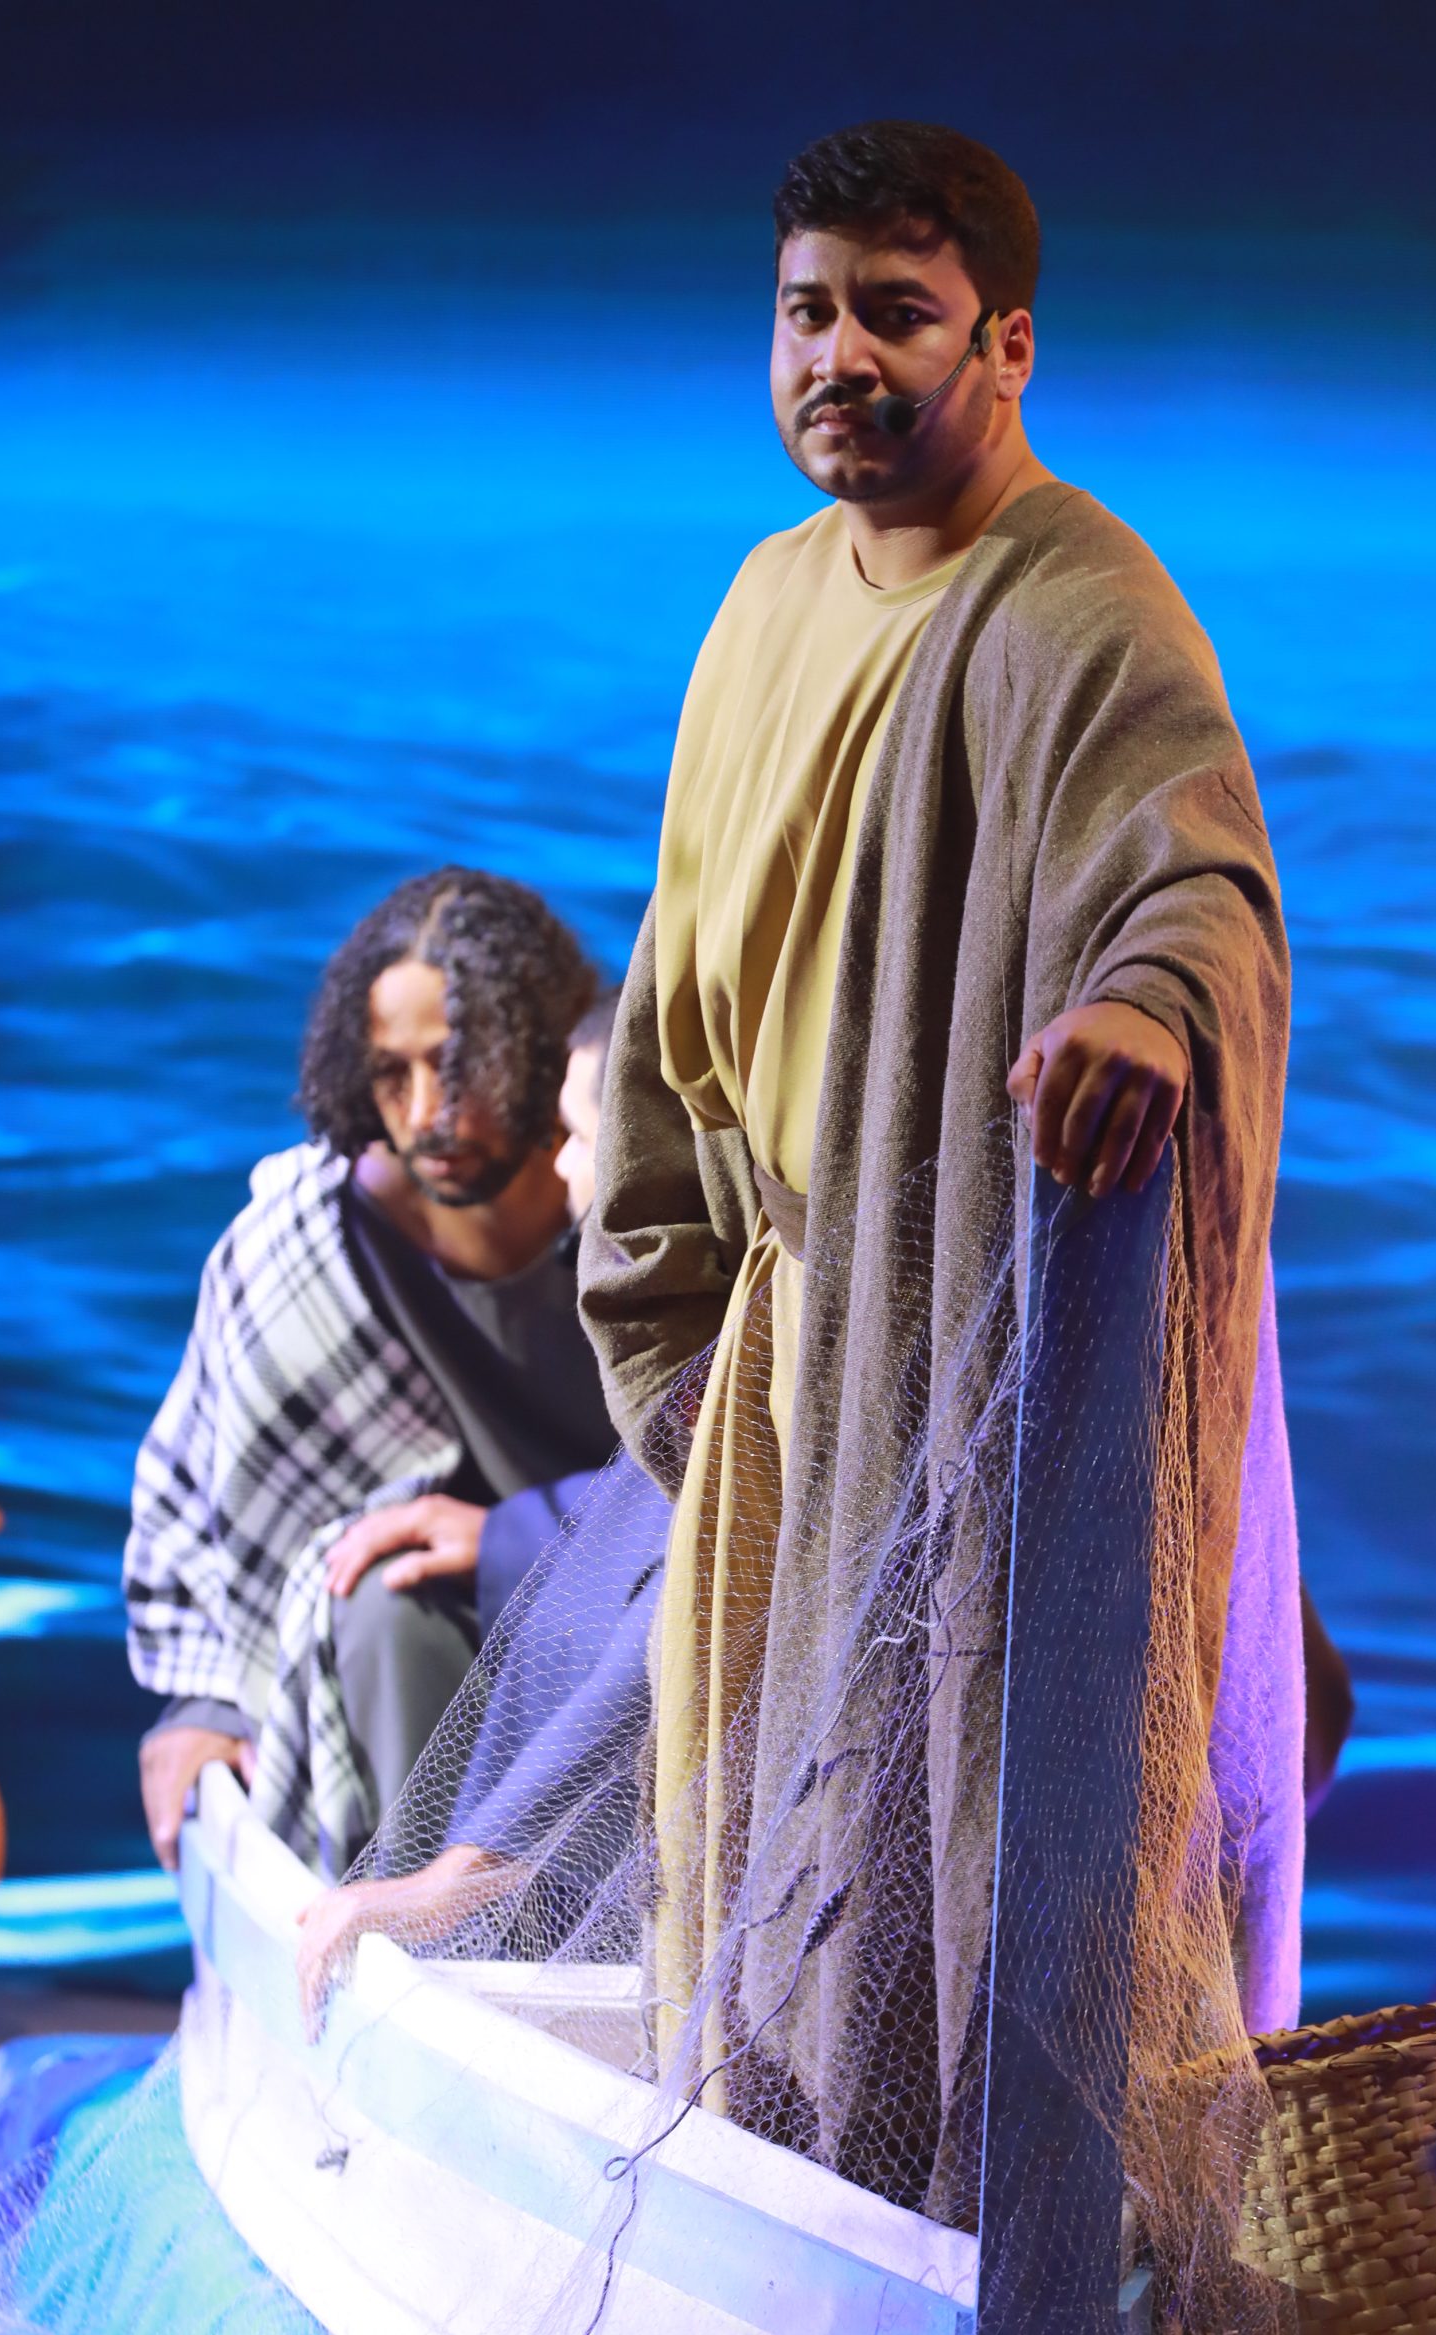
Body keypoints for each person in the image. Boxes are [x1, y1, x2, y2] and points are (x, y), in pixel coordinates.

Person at [578, 123, 1303, 2212]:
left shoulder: (1079, 607)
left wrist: (1146, 1012)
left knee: (966, 1862)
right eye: (804, 313)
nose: (838, 358)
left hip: (970, 1370)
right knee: (762, 1865)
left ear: (1004, 344)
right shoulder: (763, 597)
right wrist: (673, 1319)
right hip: (789, 1343)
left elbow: (1196, 881)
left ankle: (1002, 2308)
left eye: (894, 315)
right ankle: (788, 2265)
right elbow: (678, 968)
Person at [127, 868, 616, 1879]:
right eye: (394, 1073)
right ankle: (408, 1933)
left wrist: (520, 1534)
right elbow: (201, 1482)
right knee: (386, 1600)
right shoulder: (310, 1241)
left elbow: (728, 1467)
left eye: (462, 1067)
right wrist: (207, 1699)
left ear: (541, 1052)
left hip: (619, 1588)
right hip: (432, 1625)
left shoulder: (630, 1209)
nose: (429, 1113)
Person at [295, 990, 671, 2027]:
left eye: (578, 1135)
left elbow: (674, 1612)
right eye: (393, 1073)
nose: (562, 1167)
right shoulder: (322, 1227)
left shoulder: (720, 1335)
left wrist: (455, 1880)